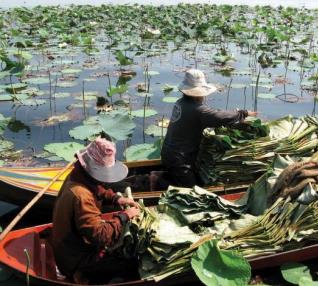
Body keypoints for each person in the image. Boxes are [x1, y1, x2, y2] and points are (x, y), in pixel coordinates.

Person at [51, 137, 140, 284]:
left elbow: (96, 188)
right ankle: (84, 275)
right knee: (132, 263)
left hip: (69, 247)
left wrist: (116, 199)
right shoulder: (82, 196)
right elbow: (101, 236)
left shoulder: (76, 176)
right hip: (75, 260)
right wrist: (124, 216)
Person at [157, 69, 257, 188]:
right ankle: (156, 181)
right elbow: (218, 117)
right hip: (179, 161)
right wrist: (242, 113)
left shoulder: (180, 103)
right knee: (192, 191)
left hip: (167, 154)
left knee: (181, 178)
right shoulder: (198, 110)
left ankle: (158, 176)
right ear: (199, 94)